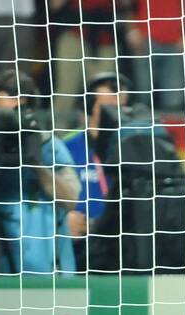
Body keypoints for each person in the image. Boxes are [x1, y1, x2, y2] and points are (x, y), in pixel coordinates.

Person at [0, 71, 80, 274]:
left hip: (47, 267)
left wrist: (35, 162)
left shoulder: (49, 145)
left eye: (23, 99)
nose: (18, 105)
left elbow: (70, 198)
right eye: (11, 96)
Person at [63, 73, 131, 273]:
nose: (117, 112)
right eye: (109, 105)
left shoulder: (137, 147)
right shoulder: (66, 147)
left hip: (124, 246)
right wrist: (61, 219)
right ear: (88, 109)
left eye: (122, 105)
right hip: (81, 247)